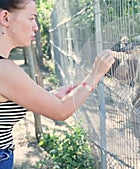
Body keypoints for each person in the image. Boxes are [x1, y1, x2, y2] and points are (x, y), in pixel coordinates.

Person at [0, 0, 115, 168]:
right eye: (31, 18)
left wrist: (51, 96)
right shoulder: (4, 70)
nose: (36, 27)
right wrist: (95, 75)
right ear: (5, 17)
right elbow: (60, 111)